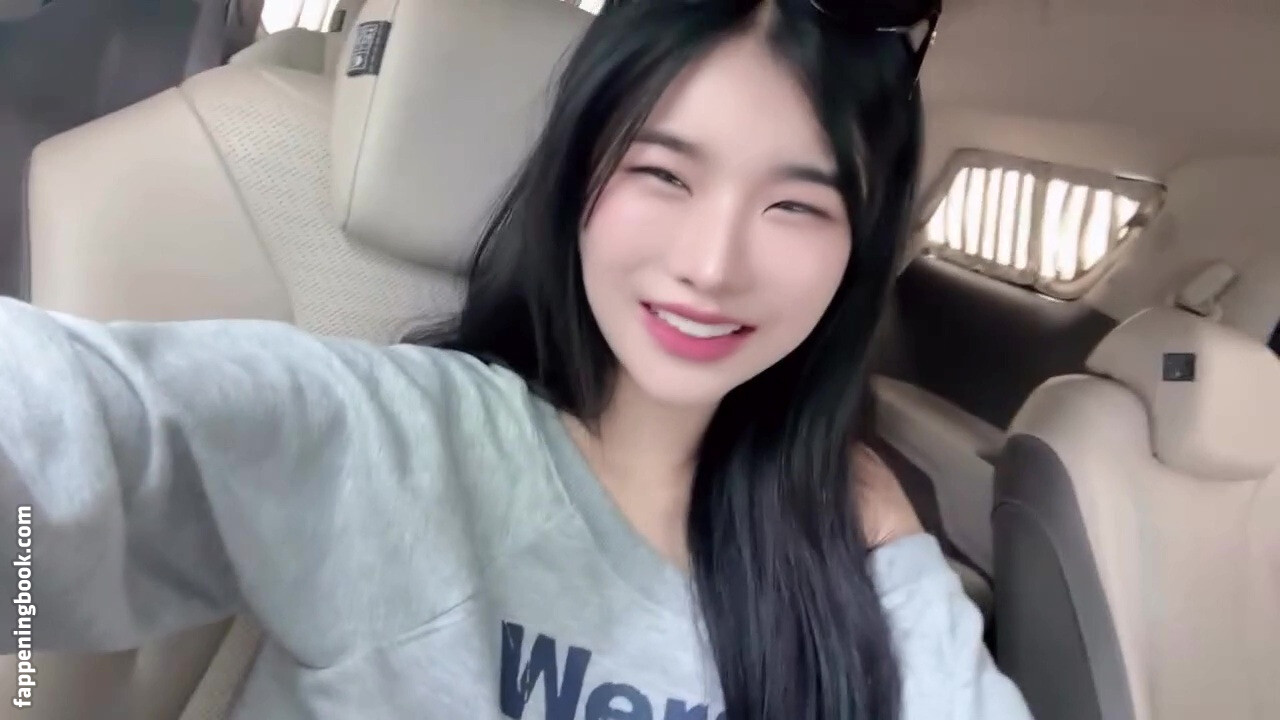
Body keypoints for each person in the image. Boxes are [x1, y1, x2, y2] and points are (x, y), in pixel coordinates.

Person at [0, 1, 1032, 718]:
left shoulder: (864, 558)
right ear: (578, 176)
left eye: (796, 205)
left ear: (858, 250)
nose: (712, 266)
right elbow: (79, 431)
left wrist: (881, 536)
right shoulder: (401, 442)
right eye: (663, 175)